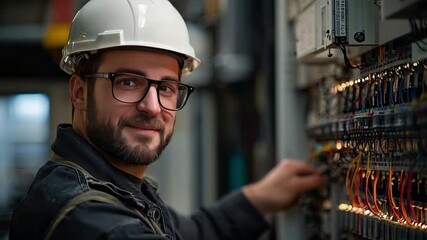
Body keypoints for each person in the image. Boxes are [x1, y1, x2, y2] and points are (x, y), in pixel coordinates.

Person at [8, 0, 326, 239]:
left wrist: (257, 199)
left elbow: (189, 232)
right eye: (128, 82)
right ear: (79, 92)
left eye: (166, 87)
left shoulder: (109, 188)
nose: (152, 106)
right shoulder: (94, 221)